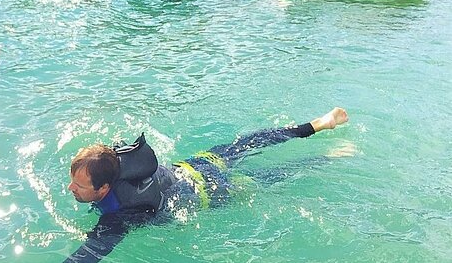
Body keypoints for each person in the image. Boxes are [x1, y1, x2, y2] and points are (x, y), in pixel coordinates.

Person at [65, 107, 350, 262]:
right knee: (245, 144)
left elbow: (87, 256)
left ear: (103, 190)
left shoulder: (118, 216)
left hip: (212, 191)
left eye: (79, 185)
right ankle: (316, 125)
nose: (71, 188)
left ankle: (326, 157)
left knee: (269, 179)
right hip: (196, 164)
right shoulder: (116, 160)